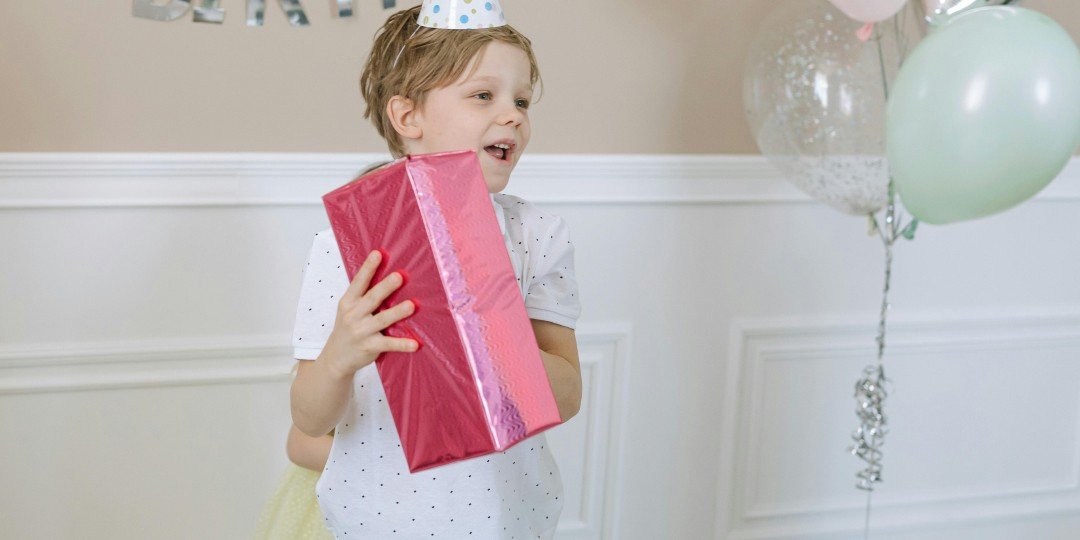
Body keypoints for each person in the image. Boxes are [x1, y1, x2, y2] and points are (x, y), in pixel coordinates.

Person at [289, 4, 583, 537]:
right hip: (376, 520)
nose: (514, 114)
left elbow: (567, 396)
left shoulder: (535, 234)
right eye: (483, 95)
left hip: (511, 519)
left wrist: (491, 324)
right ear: (408, 117)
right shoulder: (344, 246)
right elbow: (309, 420)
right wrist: (339, 356)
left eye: (521, 99)